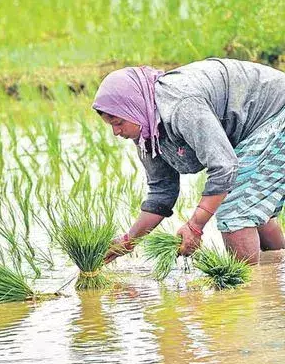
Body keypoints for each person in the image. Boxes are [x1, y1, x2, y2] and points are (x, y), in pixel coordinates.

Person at [96, 58, 285, 264]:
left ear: (134, 107)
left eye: (118, 122)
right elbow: (162, 191)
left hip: (276, 112)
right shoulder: (146, 131)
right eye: (110, 125)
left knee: (236, 211)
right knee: (253, 207)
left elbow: (224, 167)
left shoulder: (180, 106)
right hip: (253, 126)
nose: (115, 132)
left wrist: (195, 226)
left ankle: (246, 290)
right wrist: (128, 241)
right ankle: (275, 276)